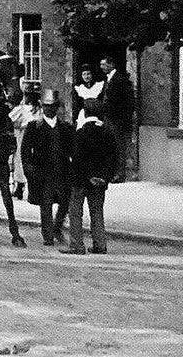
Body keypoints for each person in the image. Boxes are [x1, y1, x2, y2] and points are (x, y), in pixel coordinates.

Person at [61, 98, 119, 255]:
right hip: (100, 181)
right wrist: (104, 178)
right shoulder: (108, 133)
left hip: (81, 180)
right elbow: (113, 159)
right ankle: (100, 244)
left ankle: (77, 244)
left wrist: (88, 177)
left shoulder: (80, 133)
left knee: (75, 212)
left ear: (85, 113)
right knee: (97, 212)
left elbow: (78, 159)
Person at [21, 89, 75, 246]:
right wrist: (28, 168)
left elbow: (73, 149)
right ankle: (47, 235)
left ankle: (57, 227)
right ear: (41, 107)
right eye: (46, 106)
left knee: (65, 203)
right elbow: (25, 151)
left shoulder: (65, 127)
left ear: (57, 107)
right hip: (42, 173)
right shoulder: (34, 127)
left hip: (62, 171)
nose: (49, 109)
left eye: (52, 106)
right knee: (46, 204)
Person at [100, 56, 134, 182]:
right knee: (109, 146)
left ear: (111, 65)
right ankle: (111, 172)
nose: (101, 67)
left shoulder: (120, 79)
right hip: (108, 118)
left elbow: (127, 101)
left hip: (117, 120)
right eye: (101, 64)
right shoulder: (108, 79)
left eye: (104, 64)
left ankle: (120, 174)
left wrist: (122, 119)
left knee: (119, 147)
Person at [9, 89, 41, 201]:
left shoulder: (22, 109)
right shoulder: (39, 110)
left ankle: (20, 188)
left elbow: (10, 119)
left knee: (20, 160)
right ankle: (26, 189)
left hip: (24, 136)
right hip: (35, 137)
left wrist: (18, 125)